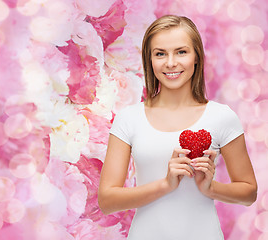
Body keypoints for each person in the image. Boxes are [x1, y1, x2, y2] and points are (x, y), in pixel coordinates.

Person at [98, 15, 257, 240]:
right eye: (160, 53)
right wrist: (165, 185)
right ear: (149, 60)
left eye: (181, 52)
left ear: (196, 58)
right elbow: (106, 201)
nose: (171, 63)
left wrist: (210, 188)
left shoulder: (222, 116)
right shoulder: (128, 118)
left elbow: (249, 192)